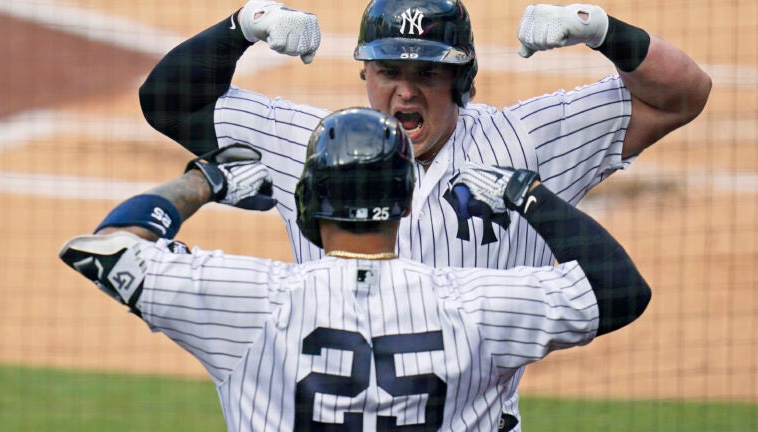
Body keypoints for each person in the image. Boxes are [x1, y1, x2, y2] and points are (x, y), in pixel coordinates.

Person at [137, 0, 709, 429]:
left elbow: (682, 93)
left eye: (427, 75)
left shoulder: (527, 140)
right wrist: (240, 26)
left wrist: (604, 30)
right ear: (365, 73)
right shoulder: (325, 143)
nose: (405, 94)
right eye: (389, 72)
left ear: (461, 80)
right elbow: (167, 100)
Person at [60, 108, 651, 431]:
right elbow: (621, 289)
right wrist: (532, 197)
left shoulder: (249, 300)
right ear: (405, 201)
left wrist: (205, 181)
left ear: (308, 201)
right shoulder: (476, 306)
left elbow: (105, 248)